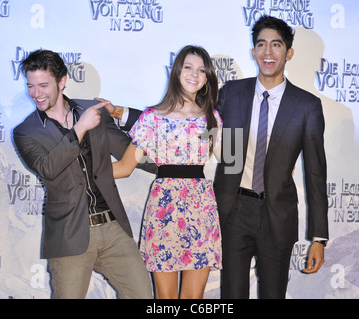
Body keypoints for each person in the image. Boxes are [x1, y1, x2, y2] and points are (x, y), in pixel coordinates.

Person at [12, 49, 156, 299]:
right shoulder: (26, 131)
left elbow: (127, 153)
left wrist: (175, 166)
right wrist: (80, 128)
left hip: (113, 228)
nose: (36, 93)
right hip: (69, 233)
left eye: (43, 85)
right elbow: (48, 169)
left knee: (142, 295)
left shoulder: (94, 111)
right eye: (31, 86)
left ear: (62, 81)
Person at [214, 15, 329, 299]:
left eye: (276, 45)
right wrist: (130, 117)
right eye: (261, 45)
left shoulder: (307, 106)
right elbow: (196, 129)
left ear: (288, 53)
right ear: (253, 52)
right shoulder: (231, 93)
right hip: (232, 210)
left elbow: (315, 173)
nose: (268, 52)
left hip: (277, 214)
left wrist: (319, 238)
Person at [108, 45, 222, 299]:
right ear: (177, 71)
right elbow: (125, 168)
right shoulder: (152, 118)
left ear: (207, 79)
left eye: (201, 70)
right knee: (166, 299)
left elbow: (234, 162)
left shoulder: (213, 118)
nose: (194, 75)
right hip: (164, 209)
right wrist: (79, 173)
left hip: (201, 208)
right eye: (188, 67)